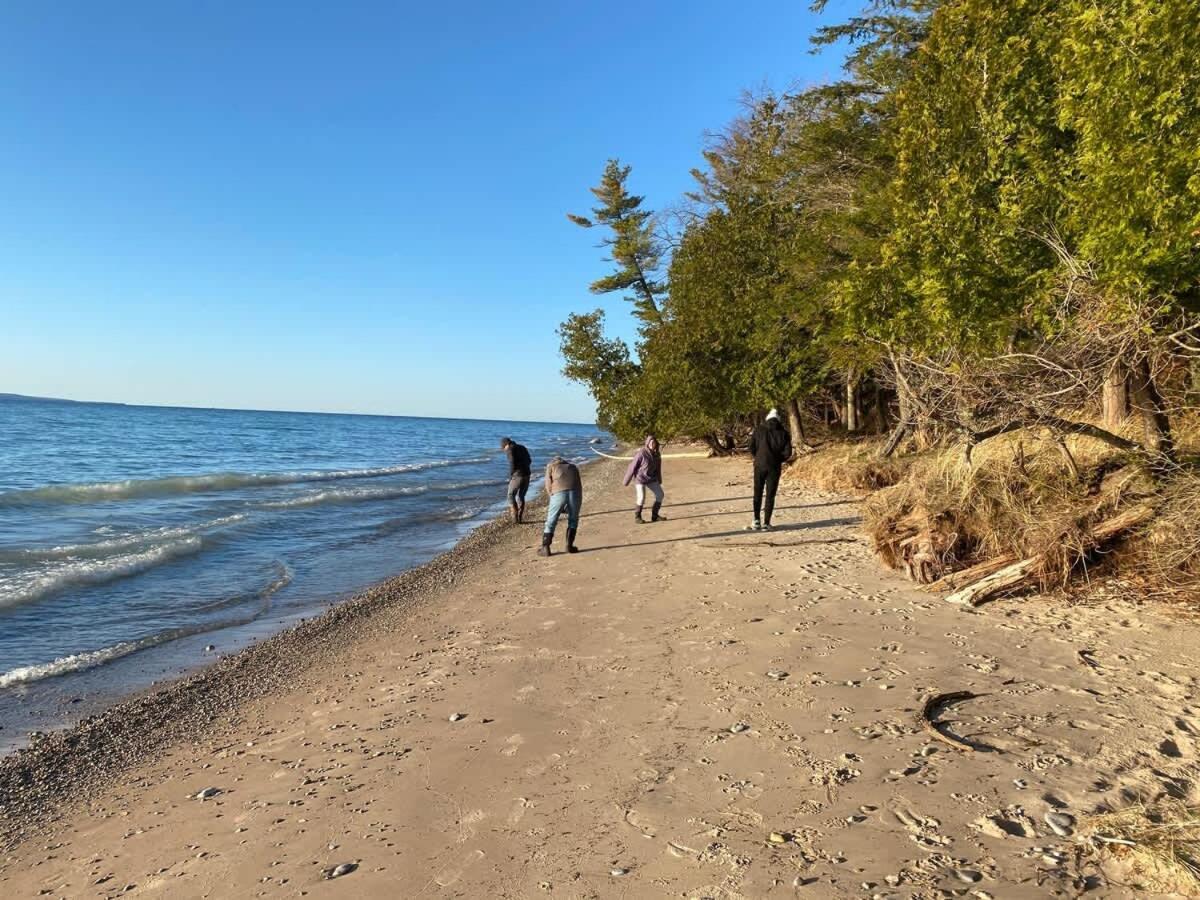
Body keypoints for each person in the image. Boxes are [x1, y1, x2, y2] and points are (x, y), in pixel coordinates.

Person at [747, 408, 792, 531]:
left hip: (759, 465)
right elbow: (788, 453)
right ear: (779, 420)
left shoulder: (758, 430)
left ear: (767, 418)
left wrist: (758, 457)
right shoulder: (784, 433)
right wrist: (778, 460)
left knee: (757, 493)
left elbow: (751, 448)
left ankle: (756, 521)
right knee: (770, 495)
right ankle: (766, 523)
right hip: (774, 467)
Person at [539, 455, 582, 556]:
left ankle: (545, 547)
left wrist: (552, 497)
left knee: (551, 521)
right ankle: (569, 546)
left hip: (558, 493)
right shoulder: (573, 467)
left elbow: (548, 485)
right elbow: (579, 484)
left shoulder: (551, 466)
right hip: (575, 492)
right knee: (573, 519)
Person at [623, 435, 665, 523]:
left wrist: (659, 480)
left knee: (660, 495)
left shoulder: (657, 454)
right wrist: (626, 481)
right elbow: (632, 466)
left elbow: (658, 468)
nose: (652, 444)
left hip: (651, 478)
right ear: (647, 443)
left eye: (654, 443)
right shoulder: (641, 453)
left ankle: (655, 515)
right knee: (641, 497)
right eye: (651, 442)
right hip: (640, 478)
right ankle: (637, 517)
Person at [499, 437, 532, 523]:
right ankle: (520, 517)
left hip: (518, 475)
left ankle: (515, 517)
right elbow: (529, 460)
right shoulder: (522, 447)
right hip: (527, 474)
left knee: (510, 495)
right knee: (521, 496)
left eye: (503, 448)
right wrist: (524, 467)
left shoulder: (510, 449)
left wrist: (511, 476)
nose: (503, 450)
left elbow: (512, 463)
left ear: (506, 445)